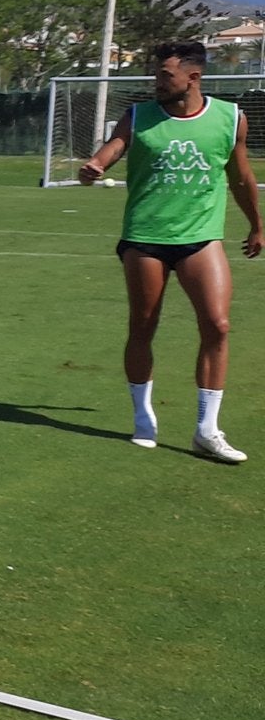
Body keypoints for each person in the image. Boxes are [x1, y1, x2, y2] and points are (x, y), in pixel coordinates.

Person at [79, 40, 261, 462]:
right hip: (146, 237)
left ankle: (207, 429)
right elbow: (113, 149)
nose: (157, 82)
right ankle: (143, 417)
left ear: (193, 77)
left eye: (165, 75)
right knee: (143, 326)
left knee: (217, 325)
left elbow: (240, 177)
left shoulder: (230, 118)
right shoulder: (138, 115)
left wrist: (257, 225)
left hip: (201, 236)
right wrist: (95, 166)